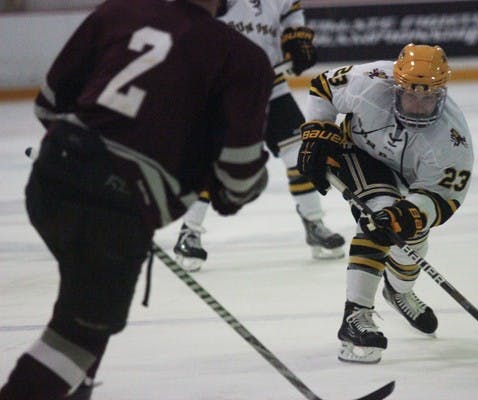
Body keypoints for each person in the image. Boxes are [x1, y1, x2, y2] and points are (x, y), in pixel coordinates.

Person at [0, 0, 273, 399]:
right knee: (77, 338)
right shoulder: (243, 58)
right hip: (114, 211)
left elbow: (48, 104)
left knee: (86, 300)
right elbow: (239, 178)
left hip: (50, 180)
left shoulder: (118, 12)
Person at [297, 43, 474, 363]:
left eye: (428, 97)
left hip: (410, 181)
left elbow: (444, 196)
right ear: (397, 87)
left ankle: (399, 291)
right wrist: (318, 130)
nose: (419, 105)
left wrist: (414, 213)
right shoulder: (370, 82)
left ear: (441, 93)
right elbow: (322, 86)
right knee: (377, 221)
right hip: (357, 154)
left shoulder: (452, 138)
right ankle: (356, 317)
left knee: (411, 237)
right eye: (411, 95)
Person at [172, 0, 345, 271]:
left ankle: (314, 223)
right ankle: (189, 231)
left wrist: (296, 37)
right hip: (222, 86)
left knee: (299, 150)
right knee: (211, 157)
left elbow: (291, 9)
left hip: (270, 84)